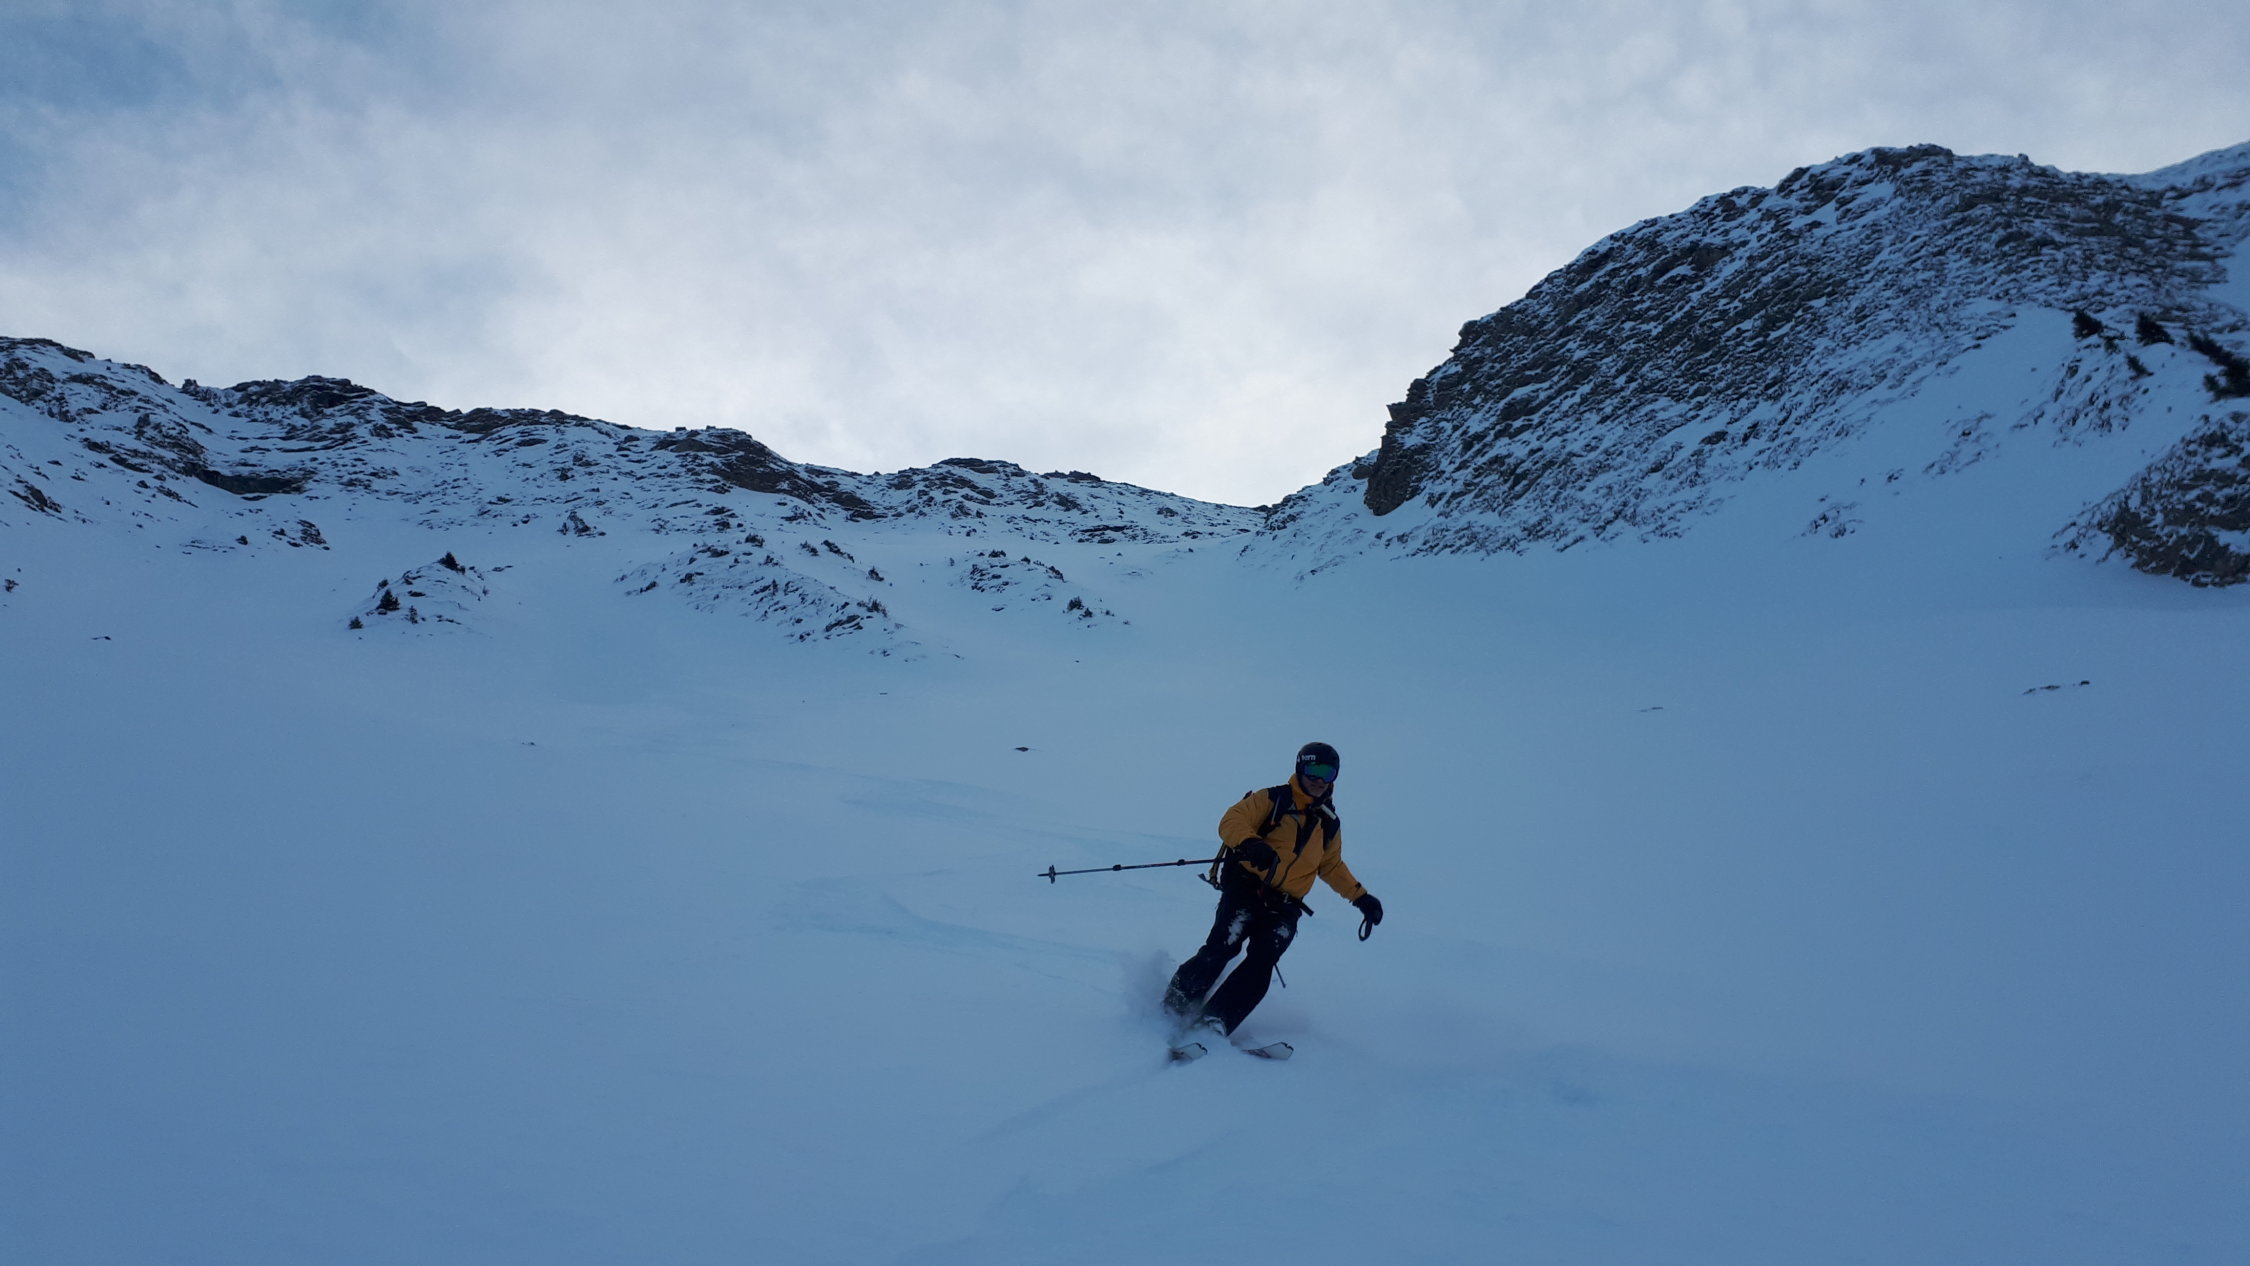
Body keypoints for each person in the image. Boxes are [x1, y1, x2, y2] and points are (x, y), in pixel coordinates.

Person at [1163, 741, 1383, 1038]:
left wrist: (1361, 897)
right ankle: (1174, 1007)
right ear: (1300, 768)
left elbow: (1330, 866)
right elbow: (1232, 820)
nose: (1319, 780)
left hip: (1286, 906)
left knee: (1262, 962)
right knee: (1222, 947)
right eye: (1314, 771)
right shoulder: (1273, 799)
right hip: (1247, 887)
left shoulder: (1329, 823)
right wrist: (1251, 844)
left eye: (1328, 774)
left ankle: (1216, 1022)